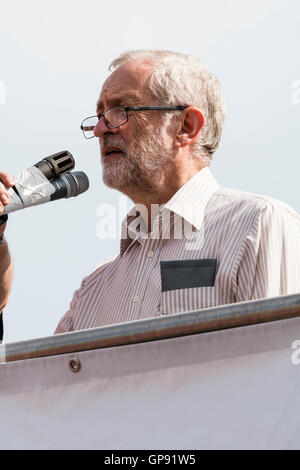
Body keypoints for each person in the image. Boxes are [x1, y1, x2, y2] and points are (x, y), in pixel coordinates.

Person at [0, 50, 300, 337]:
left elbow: (284, 369)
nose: (100, 130)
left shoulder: (258, 225)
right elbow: (39, 387)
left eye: (120, 110)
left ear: (186, 125)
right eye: (100, 115)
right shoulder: (94, 290)